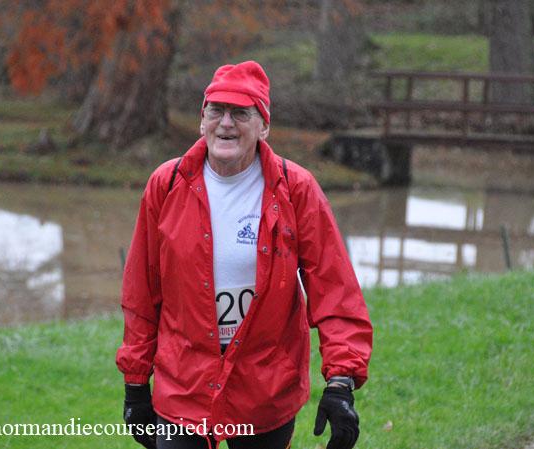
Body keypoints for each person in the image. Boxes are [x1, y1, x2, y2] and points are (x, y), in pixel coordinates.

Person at [117, 60, 373, 449]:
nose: (226, 123)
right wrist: (136, 384)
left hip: (265, 387)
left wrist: (341, 381)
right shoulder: (166, 185)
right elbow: (141, 293)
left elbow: (335, 291)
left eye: (240, 113)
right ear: (202, 121)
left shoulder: (296, 189)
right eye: (216, 111)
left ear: (263, 126)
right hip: (184, 385)